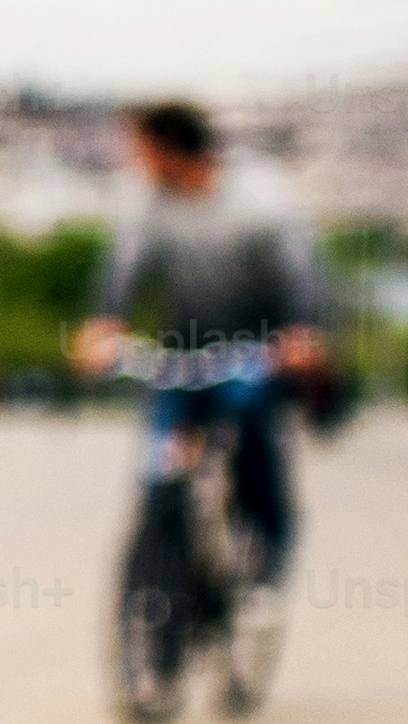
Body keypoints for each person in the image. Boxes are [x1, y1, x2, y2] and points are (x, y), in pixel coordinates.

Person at [71, 99, 329, 584]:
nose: (135, 163)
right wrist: (103, 324)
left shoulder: (258, 198)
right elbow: (123, 267)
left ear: (169, 149)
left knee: (249, 419)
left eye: (140, 150)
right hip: (183, 346)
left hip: (257, 344)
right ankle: (161, 565)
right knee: (161, 458)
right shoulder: (146, 201)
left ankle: (265, 546)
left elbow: (299, 271)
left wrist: (302, 332)